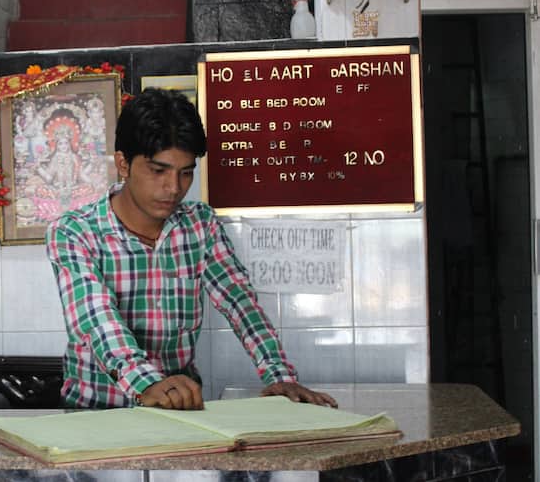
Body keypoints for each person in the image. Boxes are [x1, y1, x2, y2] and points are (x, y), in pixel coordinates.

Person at [45, 88, 337, 410]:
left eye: (186, 173)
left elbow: (239, 302)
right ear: (123, 164)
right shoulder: (75, 232)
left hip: (180, 412)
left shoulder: (200, 225)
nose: (174, 188)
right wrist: (146, 384)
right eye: (158, 171)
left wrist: (278, 374)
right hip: (95, 414)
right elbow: (96, 319)